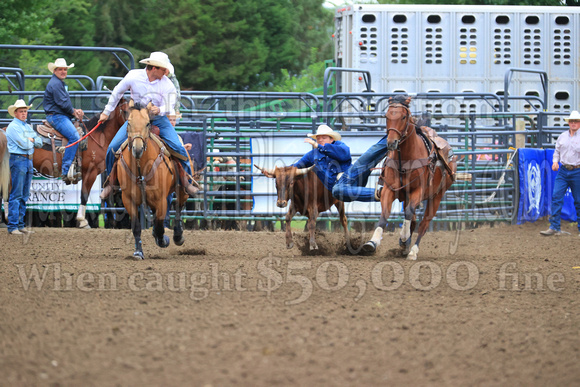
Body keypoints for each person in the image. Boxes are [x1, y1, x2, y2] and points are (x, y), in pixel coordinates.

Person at [99, 51, 198, 198]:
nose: (166, 72)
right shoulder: (133, 76)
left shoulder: (167, 84)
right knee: (112, 148)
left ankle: (187, 181)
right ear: (154, 68)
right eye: (164, 69)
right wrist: (107, 112)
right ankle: (111, 181)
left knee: (178, 147)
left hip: (158, 119)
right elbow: (117, 92)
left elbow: (169, 106)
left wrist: (159, 109)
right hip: (136, 118)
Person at [5, 99, 42, 235]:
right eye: (21, 111)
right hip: (19, 159)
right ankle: (14, 225)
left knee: (24, 194)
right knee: (17, 193)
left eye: (25, 111)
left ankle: (19, 224)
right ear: (15, 113)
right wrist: (32, 140)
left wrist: (31, 140)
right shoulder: (13, 127)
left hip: (26, 160)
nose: (24, 113)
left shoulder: (25, 127)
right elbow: (26, 145)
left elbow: (38, 142)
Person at [540, 110, 580, 236]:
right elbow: (556, 151)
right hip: (563, 170)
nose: (573, 123)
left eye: (576, 121)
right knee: (556, 197)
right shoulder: (562, 136)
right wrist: (555, 162)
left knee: (579, 200)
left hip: (577, 170)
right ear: (569, 123)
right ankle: (554, 226)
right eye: (571, 121)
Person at [43, 58, 83, 183]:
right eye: (60, 69)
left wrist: (74, 110)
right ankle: (65, 170)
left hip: (59, 115)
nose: (63, 71)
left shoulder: (58, 83)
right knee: (74, 137)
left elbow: (63, 103)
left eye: (65, 69)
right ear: (54, 71)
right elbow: (62, 103)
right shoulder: (56, 84)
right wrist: (74, 112)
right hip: (57, 116)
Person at [292, 125, 351, 192]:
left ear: (331, 139)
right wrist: (282, 171)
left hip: (346, 185)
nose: (320, 140)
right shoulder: (312, 154)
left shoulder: (339, 145)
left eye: (324, 138)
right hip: (328, 189)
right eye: (318, 138)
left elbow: (343, 153)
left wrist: (318, 146)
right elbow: (296, 166)